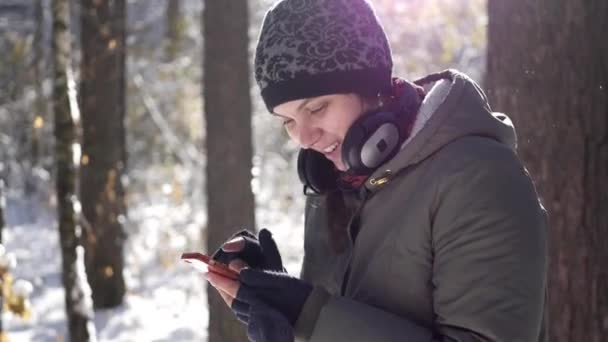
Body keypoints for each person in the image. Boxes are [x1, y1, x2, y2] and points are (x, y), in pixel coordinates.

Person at [206, 0, 548, 341]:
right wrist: (282, 302)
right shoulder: (338, 181)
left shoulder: (479, 178)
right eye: (289, 122)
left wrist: (310, 317)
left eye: (317, 108)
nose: (305, 138)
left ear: (373, 86)